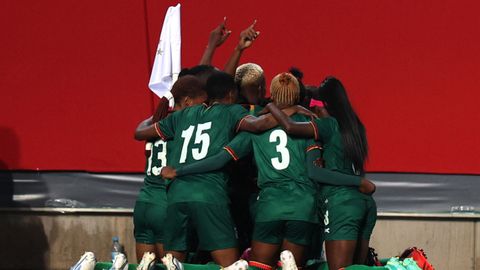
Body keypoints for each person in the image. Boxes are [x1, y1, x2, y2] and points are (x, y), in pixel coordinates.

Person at [135, 71, 292, 267]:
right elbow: (259, 125)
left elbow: (140, 132)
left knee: (173, 262)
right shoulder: (231, 112)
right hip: (209, 195)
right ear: (231, 95)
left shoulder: (181, 115)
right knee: (231, 265)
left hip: (176, 196)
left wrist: (156, 113)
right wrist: (289, 110)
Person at [263, 76, 377, 270]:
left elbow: (291, 129)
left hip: (340, 203)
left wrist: (271, 105)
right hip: (364, 204)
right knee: (357, 268)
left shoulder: (328, 125)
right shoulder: (357, 127)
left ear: (321, 105)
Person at [133, 75, 207, 262]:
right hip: (166, 204)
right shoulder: (182, 123)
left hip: (143, 203)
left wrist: (160, 109)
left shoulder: (156, 122)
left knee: (146, 265)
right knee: (172, 265)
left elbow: (139, 131)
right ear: (189, 102)